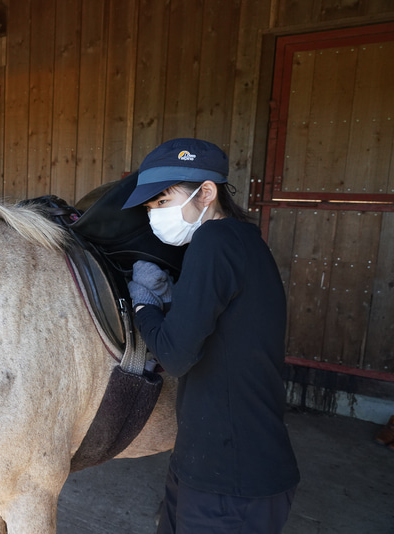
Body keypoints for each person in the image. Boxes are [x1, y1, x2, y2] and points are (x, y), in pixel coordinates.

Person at [122, 138, 300, 534]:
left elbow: (175, 355)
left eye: (163, 202)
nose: (155, 217)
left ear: (206, 193)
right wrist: (171, 300)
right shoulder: (244, 242)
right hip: (206, 463)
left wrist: (143, 305)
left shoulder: (213, 241)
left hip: (232, 479)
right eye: (151, 208)